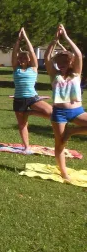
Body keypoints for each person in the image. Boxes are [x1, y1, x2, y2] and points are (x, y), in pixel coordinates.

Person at [45, 24, 87, 181]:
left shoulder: (77, 73)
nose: (61, 64)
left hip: (77, 111)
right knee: (60, 143)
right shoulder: (53, 74)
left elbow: (78, 53)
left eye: (65, 61)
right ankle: (64, 172)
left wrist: (67, 37)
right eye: (59, 62)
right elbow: (48, 57)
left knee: (65, 136)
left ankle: (72, 131)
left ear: (70, 62)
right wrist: (55, 40)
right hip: (59, 113)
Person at [10, 28, 52, 153]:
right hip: (18, 99)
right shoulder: (15, 68)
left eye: (24, 57)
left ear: (29, 59)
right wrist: (18, 40)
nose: (22, 58)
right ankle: (26, 147)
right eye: (20, 57)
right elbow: (14, 52)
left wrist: (25, 38)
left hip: (32, 98)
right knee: (22, 125)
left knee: (50, 112)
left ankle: (30, 113)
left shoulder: (34, 68)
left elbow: (32, 51)